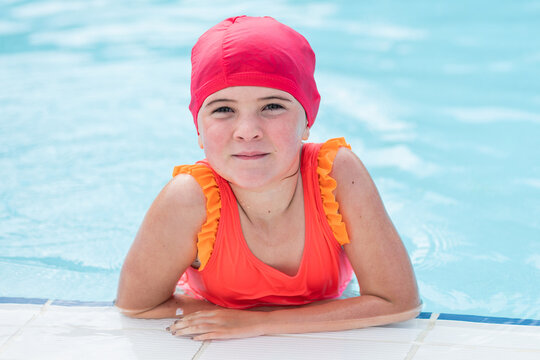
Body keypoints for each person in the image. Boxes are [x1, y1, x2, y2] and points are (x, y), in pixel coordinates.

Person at [115, 15, 420, 341]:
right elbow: (137, 308)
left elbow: (398, 303)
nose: (248, 131)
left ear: (307, 122)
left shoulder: (335, 174)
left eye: (273, 106)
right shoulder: (189, 200)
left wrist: (257, 323)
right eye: (223, 109)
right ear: (199, 130)